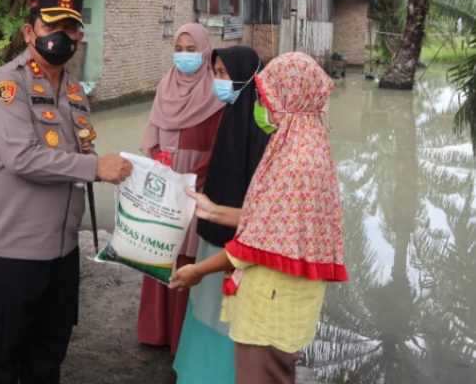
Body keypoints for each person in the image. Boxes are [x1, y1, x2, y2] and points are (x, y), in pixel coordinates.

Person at [0, 0, 133, 383]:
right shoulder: (6, 86)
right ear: (29, 32)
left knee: (48, 358)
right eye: (52, 24)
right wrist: (95, 167)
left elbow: (73, 155)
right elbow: (21, 157)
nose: (61, 34)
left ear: (79, 37)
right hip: (10, 254)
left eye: (71, 27)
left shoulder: (75, 92)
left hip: (60, 253)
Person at [170, 52, 349, 384]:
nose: (261, 105)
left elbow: (256, 244)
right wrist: (213, 209)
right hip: (280, 303)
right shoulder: (305, 144)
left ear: (289, 98)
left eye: (267, 97)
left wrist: (198, 270)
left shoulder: (296, 162)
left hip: (271, 308)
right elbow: (271, 220)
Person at [173, 46, 270, 384]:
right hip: (215, 230)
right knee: (205, 305)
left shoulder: (261, 124)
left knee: (226, 314)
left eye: (225, 74)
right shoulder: (231, 112)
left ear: (245, 75)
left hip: (240, 240)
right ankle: (194, 372)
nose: (219, 80)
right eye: (215, 73)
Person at [137, 23, 225, 355]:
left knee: (186, 258)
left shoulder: (216, 92)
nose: (185, 56)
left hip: (194, 187)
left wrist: (193, 176)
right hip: (163, 180)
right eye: (180, 49)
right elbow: (152, 133)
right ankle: (154, 331)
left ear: (204, 52)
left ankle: (179, 338)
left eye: (192, 50)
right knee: (159, 249)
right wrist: (158, 165)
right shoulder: (165, 86)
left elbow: (218, 147)